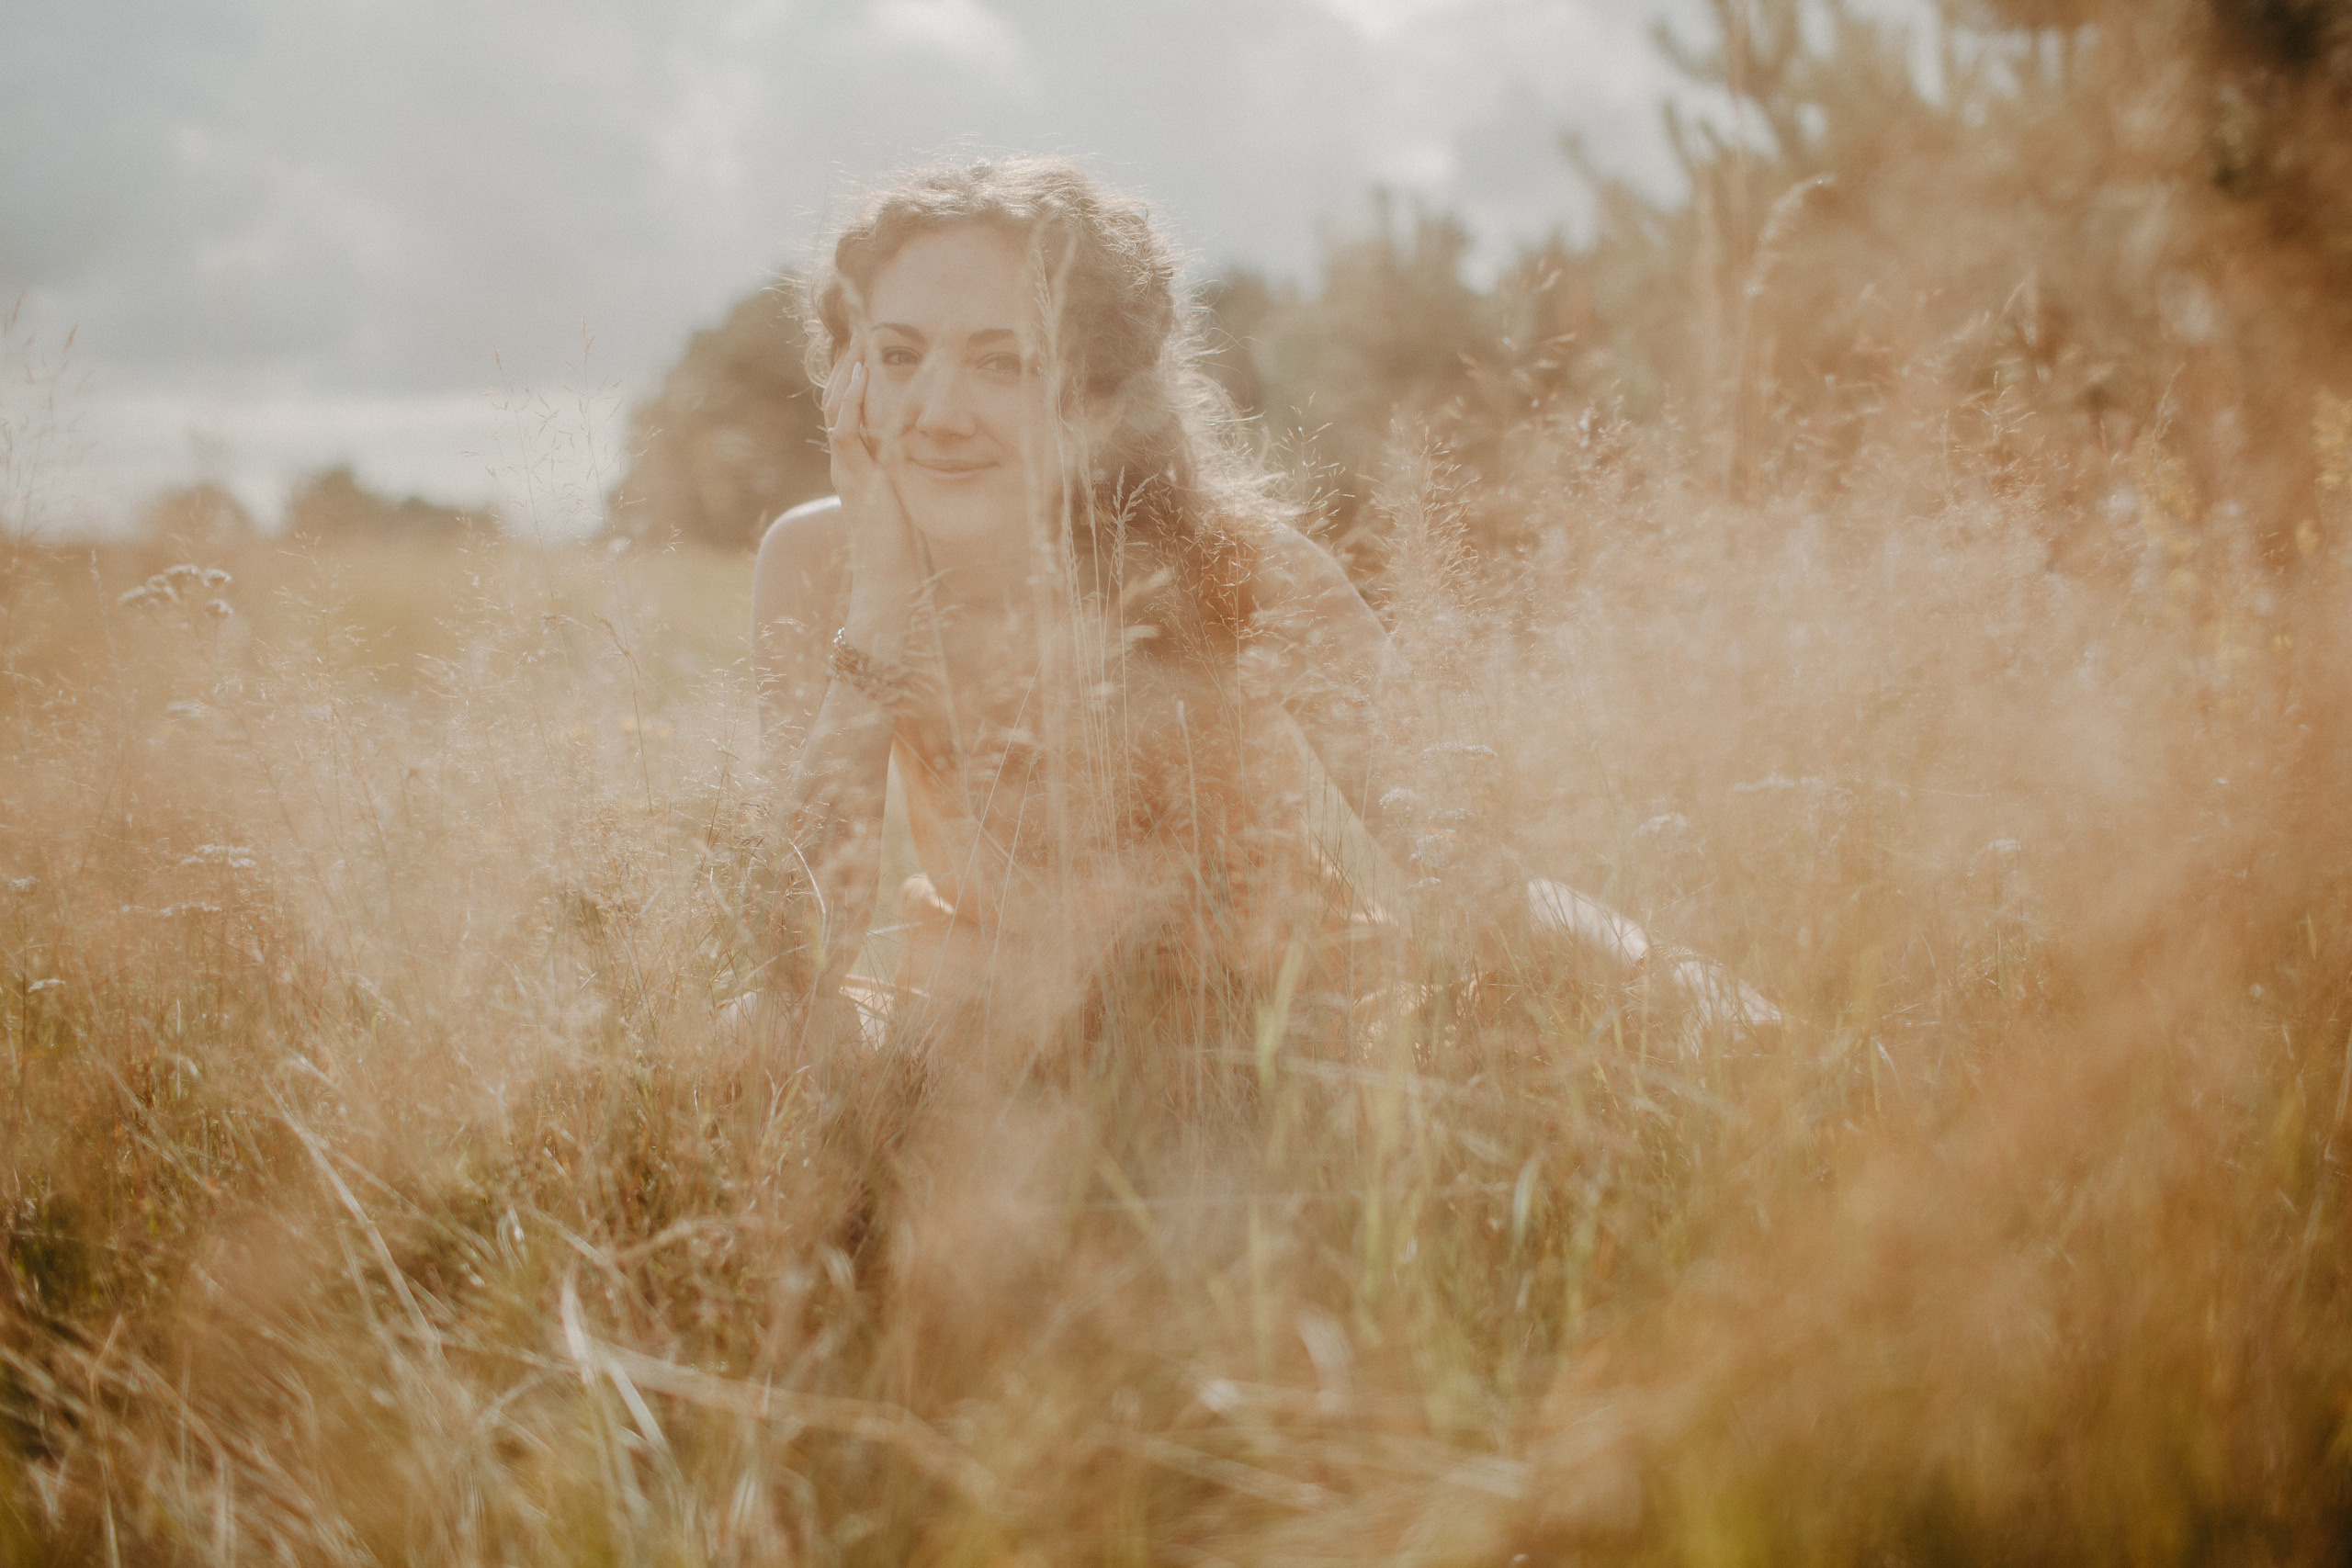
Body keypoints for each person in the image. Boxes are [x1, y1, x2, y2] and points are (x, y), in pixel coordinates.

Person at [744, 156, 1769, 1069]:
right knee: (757, 1033)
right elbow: (793, 961)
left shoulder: (1242, 566)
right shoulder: (815, 559)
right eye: (898, 355)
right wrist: (880, 606)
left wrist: (1668, 978)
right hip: (984, 1032)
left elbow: (1475, 879)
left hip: (1277, 1039)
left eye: (1002, 361)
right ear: (848, 375)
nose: (935, 412)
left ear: (1095, 392)